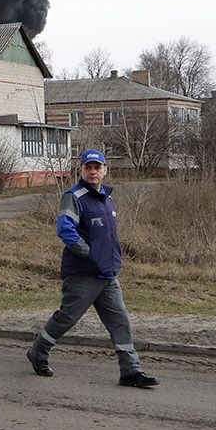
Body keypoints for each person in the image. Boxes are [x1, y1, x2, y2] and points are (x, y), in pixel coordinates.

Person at [27, 150, 160, 388]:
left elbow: (109, 237)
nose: (93, 172)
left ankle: (130, 371)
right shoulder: (73, 197)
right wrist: (90, 254)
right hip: (82, 273)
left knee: (120, 322)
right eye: (88, 167)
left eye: (97, 167)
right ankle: (38, 351)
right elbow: (65, 230)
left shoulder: (109, 200)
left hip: (108, 274)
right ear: (81, 170)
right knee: (67, 317)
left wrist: (113, 260)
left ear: (105, 170)